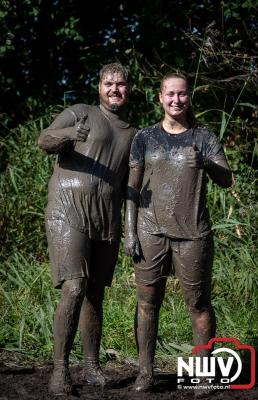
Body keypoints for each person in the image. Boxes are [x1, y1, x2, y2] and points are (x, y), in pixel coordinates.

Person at [124, 72, 233, 395]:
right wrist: (129, 232)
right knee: (147, 304)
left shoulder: (204, 137)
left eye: (182, 94)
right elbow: (131, 187)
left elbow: (226, 179)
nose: (176, 100)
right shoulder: (144, 138)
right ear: (160, 97)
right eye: (170, 94)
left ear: (189, 97)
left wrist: (207, 164)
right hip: (150, 231)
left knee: (198, 303)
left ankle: (202, 374)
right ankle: (145, 372)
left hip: (193, 234)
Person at [38, 63, 136, 396]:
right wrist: (68, 135)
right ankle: (60, 370)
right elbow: (44, 139)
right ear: (99, 86)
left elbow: (131, 187)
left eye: (121, 85)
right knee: (75, 286)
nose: (114, 90)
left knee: (95, 294)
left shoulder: (133, 133)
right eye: (109, 83)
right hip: (68, 210)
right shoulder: (80, 113)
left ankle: (92, 366)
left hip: (106, 218)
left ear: (129, 89)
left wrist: (133, 230)